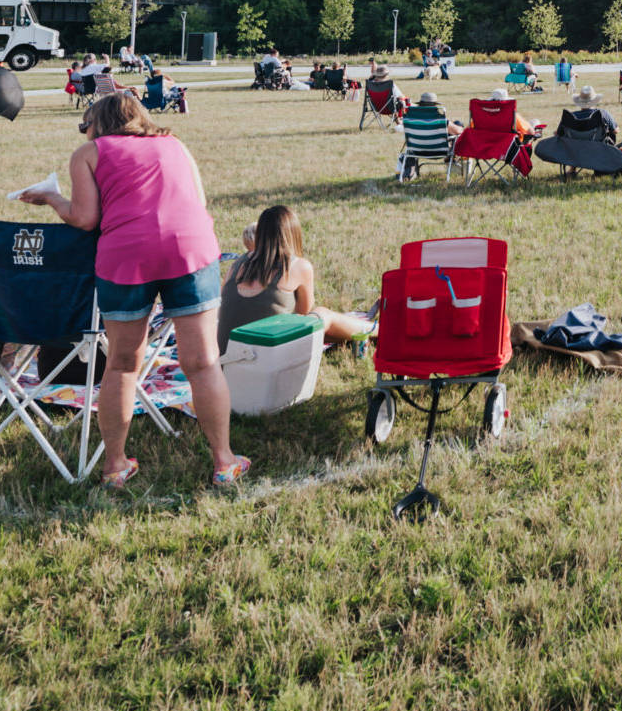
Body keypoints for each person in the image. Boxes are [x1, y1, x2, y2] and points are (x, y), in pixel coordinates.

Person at [21, 90, 245, 490]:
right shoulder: (174, 143)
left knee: (122, 364)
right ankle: (224, 461)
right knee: (203, 362)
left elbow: (85, 219)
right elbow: (200, 199)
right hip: (189, 249)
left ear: (97, 123)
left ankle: (115, 465)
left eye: (84, 125)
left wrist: (53, 198)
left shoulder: (88, 154)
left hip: (126, 258)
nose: (84, 132)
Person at [219, 206, 373, 349]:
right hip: (269, 357)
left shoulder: (236, 265)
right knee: (323, 315)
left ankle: (358, 336)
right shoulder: (298, 266)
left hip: (227, 357)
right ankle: (378, 331)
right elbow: (302, 316)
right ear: (293, 233)